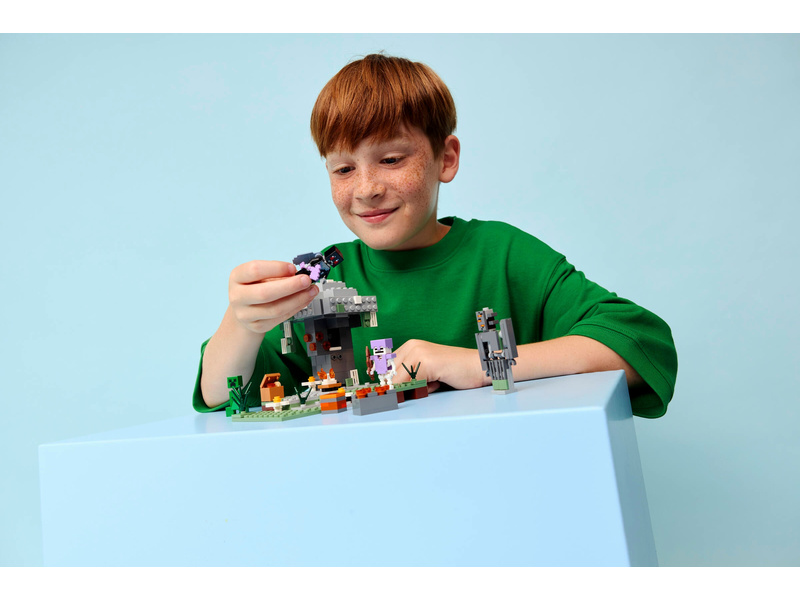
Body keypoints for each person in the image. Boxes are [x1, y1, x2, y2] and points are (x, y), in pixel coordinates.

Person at [194, 53, 678, 419]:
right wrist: (242, 323)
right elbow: (222, 397)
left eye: (391, 159)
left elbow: (641, 346)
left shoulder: (503, 255)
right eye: (343, 169)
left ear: (446, 158)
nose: (366, 189)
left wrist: (480, 364)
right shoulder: (322, 281)